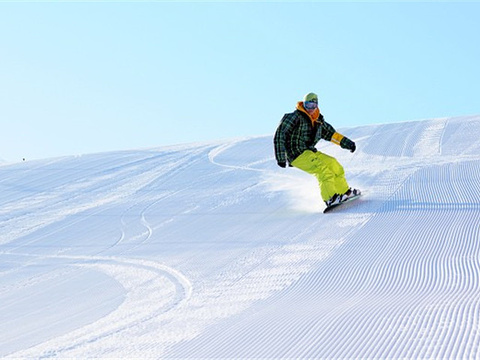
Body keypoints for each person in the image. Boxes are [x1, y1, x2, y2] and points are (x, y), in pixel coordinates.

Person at [274, 92, 360, 207]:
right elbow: (280, 135)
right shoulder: (293, 117)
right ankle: (330, 198)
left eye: (313, 106)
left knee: (334, 165)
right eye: (308, 105)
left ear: (317, 106)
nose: (311, 109)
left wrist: (348, 143)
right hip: (296, 154)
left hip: (309, 151)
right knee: (322, 170)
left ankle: (344, 192)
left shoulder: (318, 121)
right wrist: (280, 157)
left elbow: (332, 135)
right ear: (303, 104)